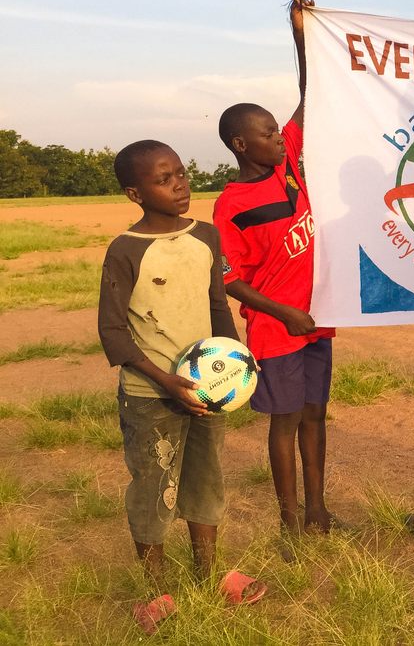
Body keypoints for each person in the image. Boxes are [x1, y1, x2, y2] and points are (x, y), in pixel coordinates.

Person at [98, 140, 267, 634]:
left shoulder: (206, 237)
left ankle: (210, 575)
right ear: (135, 193)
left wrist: (235, 362)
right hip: (152, 395)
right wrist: (166, 381)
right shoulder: (126, 249)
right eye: (163, 179)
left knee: (206, 478)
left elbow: (217, 307)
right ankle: (155, 592)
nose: (179, 185)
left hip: (205, 391)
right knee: (154, 486)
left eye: (181, 174)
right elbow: (112, 331)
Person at [213, 0, 339, 547]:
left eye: (276, 130)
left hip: (317, 320)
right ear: (241, 144)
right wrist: (283, 311)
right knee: (284, 423)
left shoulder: (287, 162)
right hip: (277, 329)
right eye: (266, 133)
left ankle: (318, 510)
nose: (277, 137)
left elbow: (312, 95)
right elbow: (229, 278)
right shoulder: (231, 205)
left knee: (316, 415)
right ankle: (289, 523)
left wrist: (301, 35)